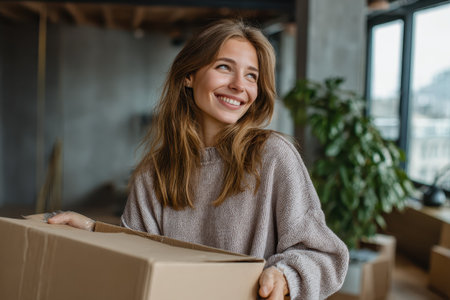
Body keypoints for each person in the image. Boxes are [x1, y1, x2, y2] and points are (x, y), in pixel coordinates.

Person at [48, 19, 349, 300]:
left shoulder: (273, 156)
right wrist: (94, 233)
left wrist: (285, 276)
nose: (239, 85)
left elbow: (324, 254)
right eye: (224, 67)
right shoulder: (153, 174)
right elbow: (137, 255)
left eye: (251, 76)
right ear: (189, 76)